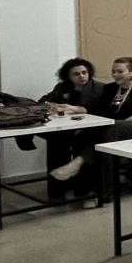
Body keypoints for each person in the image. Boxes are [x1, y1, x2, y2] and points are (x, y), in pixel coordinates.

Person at [51, 56, 132, 180]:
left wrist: (123, 122)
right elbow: (99, 109)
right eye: (113, 71)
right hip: (117, 126)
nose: (115, 75)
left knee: (111, 128)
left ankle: (81, 163)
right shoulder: (110, 88)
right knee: (87, 131)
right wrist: (75, 109)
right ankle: (85, 181)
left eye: (120, 71)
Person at [40, 58, 106, 197]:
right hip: (66, 128)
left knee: (82, 142)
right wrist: (50, 105)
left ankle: (82, 190)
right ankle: (57, 190)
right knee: (56, 142)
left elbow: (101, 111)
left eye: (84, 72)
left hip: (90, 129)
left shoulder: (99, 88)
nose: (82, 76)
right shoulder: (63, 87)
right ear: (68, 77)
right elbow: (45, 100)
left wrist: (75, 109)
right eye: (76, 74)